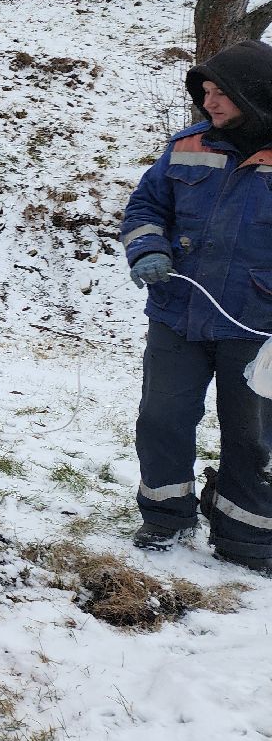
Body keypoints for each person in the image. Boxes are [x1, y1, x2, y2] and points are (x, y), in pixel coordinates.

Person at [121, 38, 272, 576]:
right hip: (177, 313)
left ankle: (246, 533)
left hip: (257, 326)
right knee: (161, 418)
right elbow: (145, 205)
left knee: (253, 434)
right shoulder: (186, 146)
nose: (209, 101)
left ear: (254, 94)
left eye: (220, 92)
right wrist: (148, 248)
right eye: (204, 91)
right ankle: (166, 517)